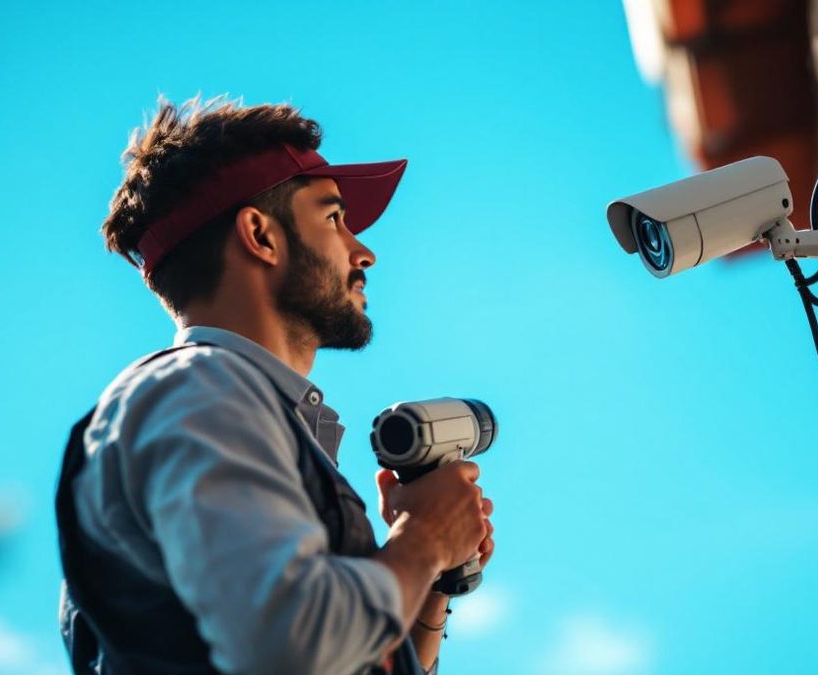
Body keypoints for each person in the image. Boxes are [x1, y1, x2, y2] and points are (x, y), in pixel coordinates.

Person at [55, 96, 494, 675]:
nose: (364, 252)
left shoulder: (228, 415)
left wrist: (429, 582)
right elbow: (290, 648)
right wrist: (426, 538)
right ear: (260, 235)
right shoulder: (194, 391)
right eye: (334, 218)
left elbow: (341, 657)